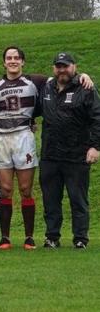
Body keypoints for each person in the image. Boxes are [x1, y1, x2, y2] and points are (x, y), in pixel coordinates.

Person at [0, 46, 92, 250]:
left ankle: (30, 237)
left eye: (17, 58)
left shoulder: (38, 82)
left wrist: (83, 75)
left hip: (25, 138)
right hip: (3, 139)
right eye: (9, 58)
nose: (13, 61)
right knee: (5, 190)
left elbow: (65, 78)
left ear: (23, 62)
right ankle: (6, 238)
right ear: (4, 62)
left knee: (26, 189)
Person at [39, 53, 100, 249]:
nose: (62, 69)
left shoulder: (86, 88)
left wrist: (95, 146)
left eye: (65, 66)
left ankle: (80, 238)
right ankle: (52, 237)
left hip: (76, 154)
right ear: (53, 68)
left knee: (78, 199)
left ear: (74, 67)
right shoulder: (47, 87)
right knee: (51, 201)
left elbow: (97, 119)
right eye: (58, 66)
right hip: (50, 155)